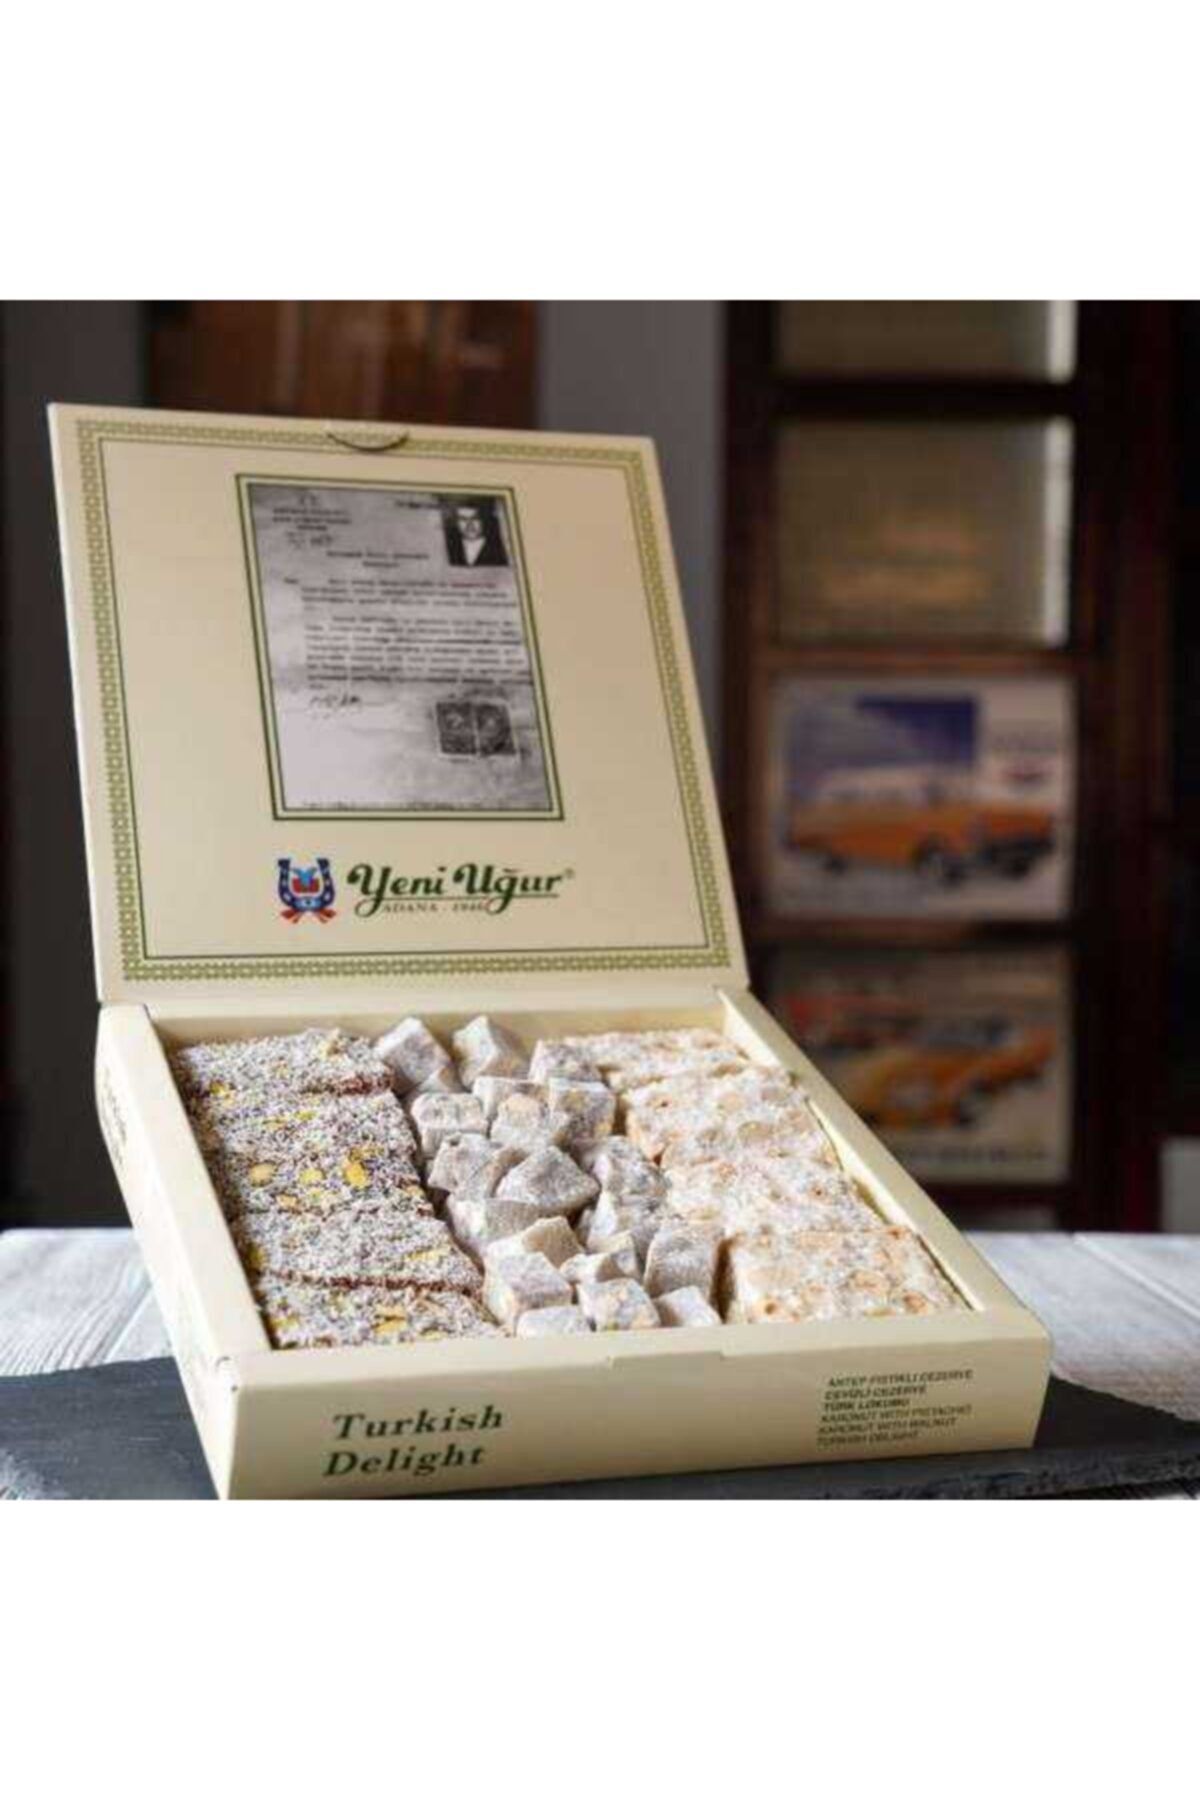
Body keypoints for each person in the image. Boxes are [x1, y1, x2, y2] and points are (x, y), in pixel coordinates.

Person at [442, 496, 508, 567]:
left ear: (483, 519)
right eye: (463, 519)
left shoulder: (499, 548)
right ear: (456, 522)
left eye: (475, 518)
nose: (469, 524)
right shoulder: (449, 548)